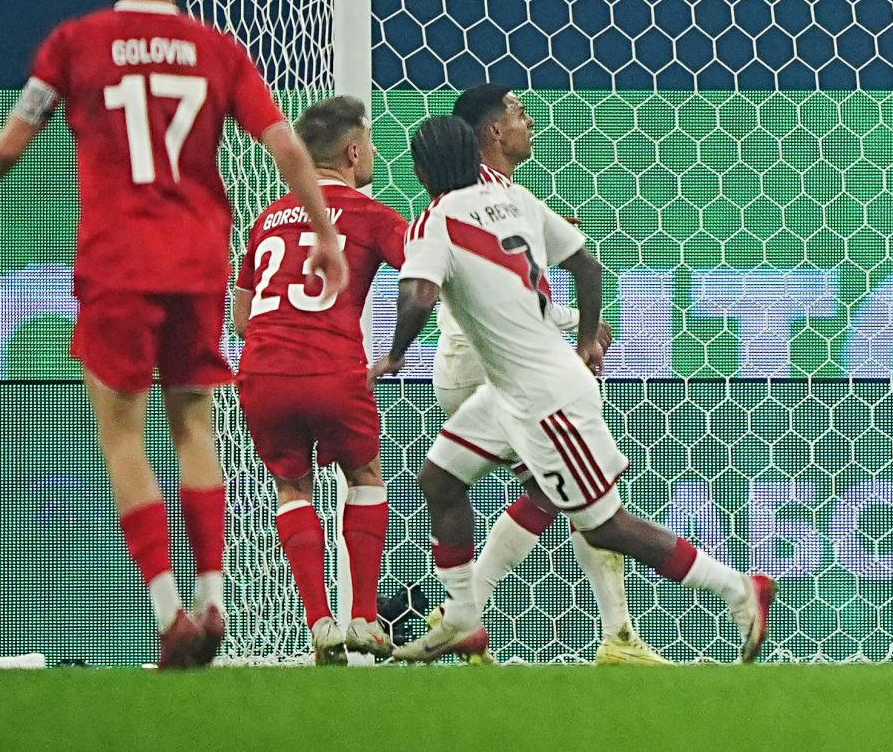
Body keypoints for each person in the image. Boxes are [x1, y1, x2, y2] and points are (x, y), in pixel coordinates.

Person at [0, 0, 349, 668]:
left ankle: (168, 612)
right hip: (196, 261)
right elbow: (286, 145)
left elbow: (10, 147)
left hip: (117, 263)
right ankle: (214, 598)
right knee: (195, 426)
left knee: (122, 435)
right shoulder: (218, 51)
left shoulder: (73, 46)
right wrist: (323, 229)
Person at [376, 117, 774, 663]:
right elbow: (587, 266)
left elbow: (419, 295)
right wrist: (587, 338)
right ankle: (464, 616)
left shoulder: (432, 222)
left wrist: (394, 356)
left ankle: (737, 589)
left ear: (420, 172)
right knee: (441, 479)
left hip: (543, 398)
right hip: (512, 390)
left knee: (606, 526)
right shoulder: (513, 199)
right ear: (475, 156)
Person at [429, 84, 667, 666]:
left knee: (565, 494)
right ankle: (479, 615)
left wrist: (571, 322)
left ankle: (609, 632)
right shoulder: (475, 193)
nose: (528, 119)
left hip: (486, 366)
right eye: (516, 111)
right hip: (486, 367)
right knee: (590, 497)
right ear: (490, 132)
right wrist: (577, 326)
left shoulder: (505, 193)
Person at [232, 96, 404, 666]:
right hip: (332, 368)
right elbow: (424, 271)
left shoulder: (267, 219)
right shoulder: (371, 215)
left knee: (293, 488)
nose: (373, 152)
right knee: (365, 474)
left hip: (261, 372)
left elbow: (239, 316)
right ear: (353, 152)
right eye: (371, 143)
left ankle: (319, 624)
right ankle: (362, 617)